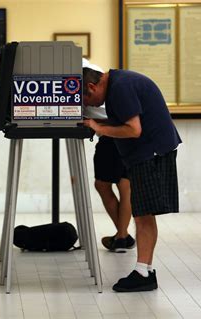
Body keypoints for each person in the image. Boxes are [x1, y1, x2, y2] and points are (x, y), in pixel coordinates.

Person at [82, 68, 181, 292]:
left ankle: (143, 273)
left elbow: (133, 130)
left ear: (91, 86)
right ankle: (145, 269)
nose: (90, 106)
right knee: (143, 213)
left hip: (150, 153)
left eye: (86, 100)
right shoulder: (120, 82)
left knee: (143, 215)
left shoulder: (120, 88)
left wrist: (99, 128)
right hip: (151, 151)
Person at [83, 59, 134, 253]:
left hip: (112, 128)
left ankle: (121, 237)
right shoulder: (92, 70)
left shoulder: (87, 73)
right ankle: (123, 236)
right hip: (108, 128)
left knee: (122, 184)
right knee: (116, 184)